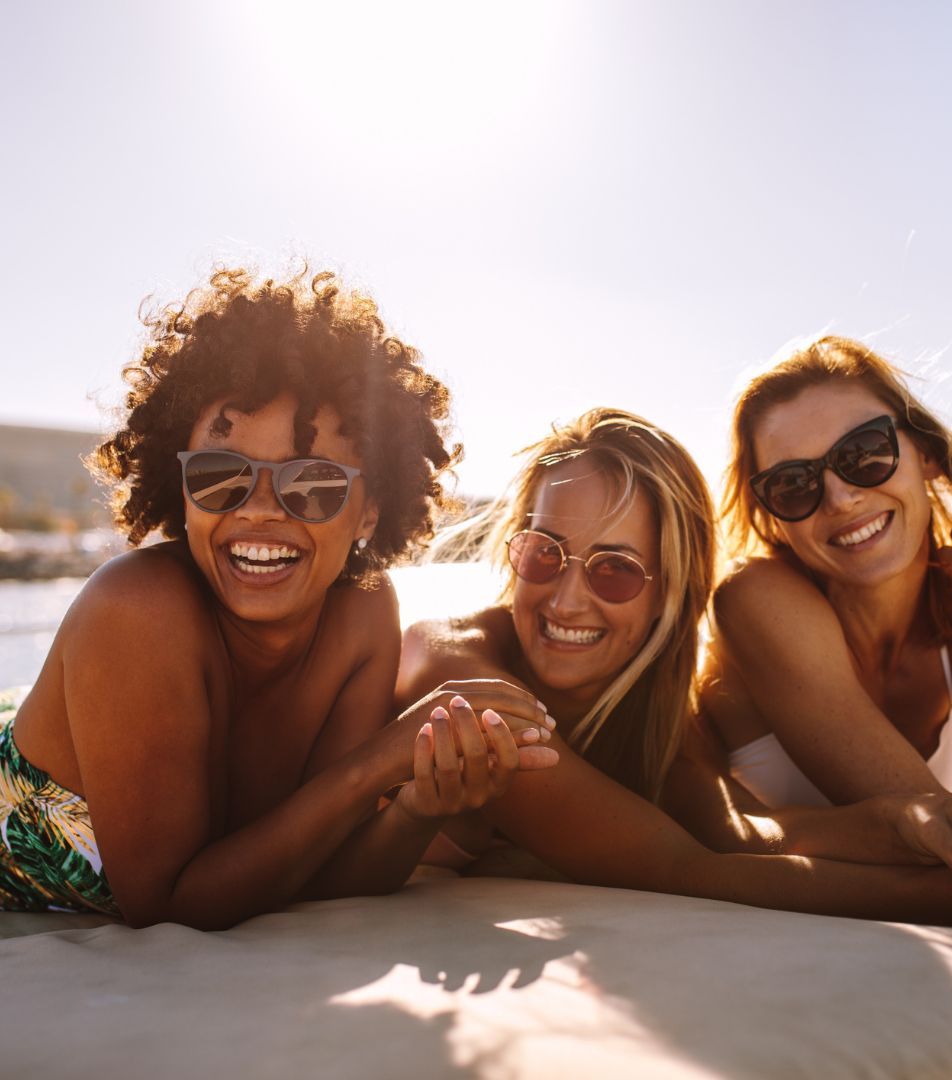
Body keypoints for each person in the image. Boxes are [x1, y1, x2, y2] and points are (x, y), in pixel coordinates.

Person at [0, 266, 556, 929]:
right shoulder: (137, 611)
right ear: (181, 489)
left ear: (370, 512)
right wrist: (379, 764)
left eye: (313, 485)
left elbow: (323, 870)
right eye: (219, 475)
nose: (260, 510)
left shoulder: (363, 614)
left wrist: (415, 808)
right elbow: (171, 902)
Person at [397, 408, 952, 930]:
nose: (566, 598)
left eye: (615, 570)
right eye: (544, 554)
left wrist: (921, 820)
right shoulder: (458, 669)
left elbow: (742, 831)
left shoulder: (644, 704)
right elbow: (690, 868)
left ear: (672, 591)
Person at [699, 335, 952, 815]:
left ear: (927, 454)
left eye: (864, 453)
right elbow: (945, 836)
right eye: (793, 484)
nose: (840, 498)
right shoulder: (756, 599)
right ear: (773, 516)